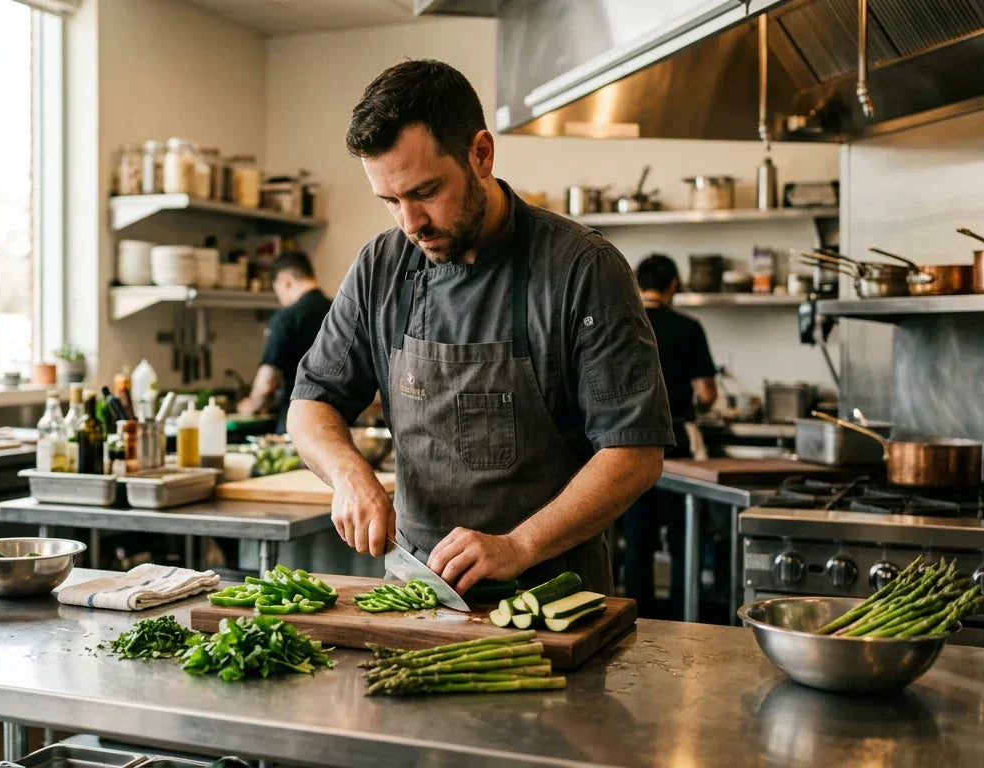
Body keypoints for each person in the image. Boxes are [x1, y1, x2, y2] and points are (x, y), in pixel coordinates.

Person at [286, 59, 674, 595]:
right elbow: (311, 403)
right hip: (416, 594)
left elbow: (635, 454)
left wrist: (518, 545)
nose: (410, 224)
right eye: (391, 201)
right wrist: (349, 474)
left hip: (552, 599)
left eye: (424, 192)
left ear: (482, 154)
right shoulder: (381, 265)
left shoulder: (583, 268)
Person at [620, 254, 718, 618]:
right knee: (682, 537)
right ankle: (681, 615)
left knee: (637, 538)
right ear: (674, 285)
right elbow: (706, 393)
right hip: (676, 445)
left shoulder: (625, 323)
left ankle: (634, 617)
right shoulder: (688, 327)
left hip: (626, 446)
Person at [237, 251, 332, 434]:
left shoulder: (287, 318)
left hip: (298, 425)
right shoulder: (339, 312)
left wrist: (251, 405)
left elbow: (267, 382)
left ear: (285, 281)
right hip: (340, 422)